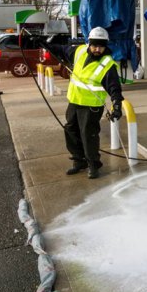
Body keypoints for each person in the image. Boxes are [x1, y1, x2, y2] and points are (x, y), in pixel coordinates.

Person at [47, 27, 124, 179]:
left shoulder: (107, 64)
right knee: (70, 130)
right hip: (74, 101)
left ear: (105, 46)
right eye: (94, 45)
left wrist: (117, 105)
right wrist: (43, 43)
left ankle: (93, 165)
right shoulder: (80, 51)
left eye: (101, 46)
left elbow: (115, 88)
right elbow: (61, 49)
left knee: (88, 135)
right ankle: (79, 161)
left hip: (91, 107)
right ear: (89, 43)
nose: (97, 49)